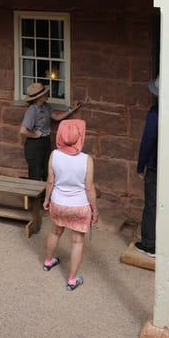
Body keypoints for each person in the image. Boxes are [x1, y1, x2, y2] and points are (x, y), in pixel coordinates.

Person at [135, 75, 169, 260]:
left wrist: (140, 165)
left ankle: (149, 244)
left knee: (151, 204)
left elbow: (148, 141)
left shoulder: (155, 113)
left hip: (156, 166)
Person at [42, 119, 98, 291]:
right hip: (79, 206)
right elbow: (89, 188)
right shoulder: (87, 160)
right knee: (77, 241)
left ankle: (48, 261)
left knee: (55, 231)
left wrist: (46, 199)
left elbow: (50, 181)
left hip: (59, 202)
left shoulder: (54, 155)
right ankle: (72, 280)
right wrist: (94, 210)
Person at [20, 82, 80, 182]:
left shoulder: (46, 106)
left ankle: (45, 197)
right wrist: (34, 135)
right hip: (35, 145)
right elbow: (23, 130)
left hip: (45, 142)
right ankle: (34, 197)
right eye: (45, 93)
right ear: (39, 97)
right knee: (35, 173)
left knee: (47, 171)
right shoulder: (32, 110)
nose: (47, 94)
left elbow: (56, 117)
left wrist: (71, 110)